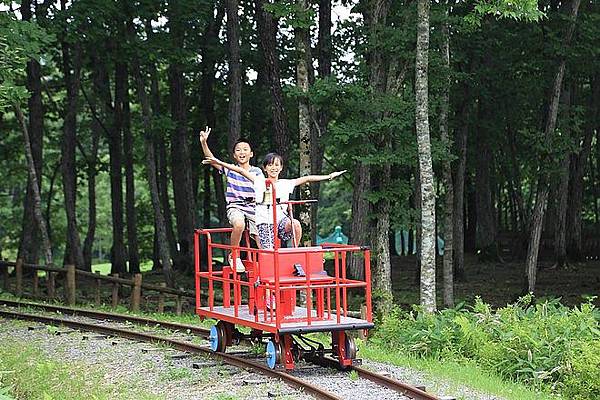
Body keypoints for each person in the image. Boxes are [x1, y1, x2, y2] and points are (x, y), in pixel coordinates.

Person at [203, 152, 346, 249]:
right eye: (270, 165)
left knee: (295, 224)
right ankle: (268, 288)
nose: (274, 168)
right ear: (265, 168)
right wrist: (217, 161)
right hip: (264, 222)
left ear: (281, 168)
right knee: (269, 252)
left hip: (280, 221)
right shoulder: (259, 181)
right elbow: (239, 170)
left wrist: (329, 176)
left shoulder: (286, 183)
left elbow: (307, 178)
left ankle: (294, 251)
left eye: (277, 165)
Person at [199, 127, 263, 273]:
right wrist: (204, 143)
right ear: (234, 155)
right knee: (239, 224)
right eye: (238, 150)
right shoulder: (231, 169)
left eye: (245, 149)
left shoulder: (257, 172)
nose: (242, 152)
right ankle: (234, 255)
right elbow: (212, 160)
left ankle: (267, 267)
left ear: (251, 153)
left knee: (262, 238)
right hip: (236, 206)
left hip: (253, 207)